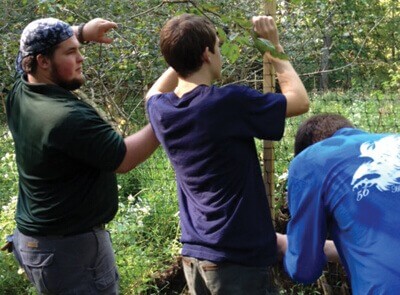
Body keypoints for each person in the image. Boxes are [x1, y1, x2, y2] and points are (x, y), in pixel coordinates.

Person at [145, 13, 309, 294]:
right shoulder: (227, 102)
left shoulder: (161, 109)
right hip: (236, 259)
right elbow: (300, 101)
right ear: (207, 54)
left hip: (195, 255)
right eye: (217, 47)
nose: (220, 53)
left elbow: (152, 93)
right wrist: (274, 47)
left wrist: (179, 57)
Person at [4, 17, 159, 294]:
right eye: (70, 52)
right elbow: (123, 158)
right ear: (42, 61)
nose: (81, 58)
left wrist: (80, 33)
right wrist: (169, 116)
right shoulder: (66, 117)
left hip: (34, 243)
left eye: (78, 49)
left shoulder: (20, 91)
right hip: (69, 252)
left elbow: (27, 51)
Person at [281, 113, 400, 294]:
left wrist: (283, 245)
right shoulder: (391, 144)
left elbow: (304, 269)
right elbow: (381, 244)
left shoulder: (310, 159)